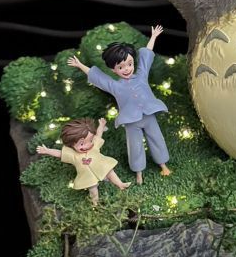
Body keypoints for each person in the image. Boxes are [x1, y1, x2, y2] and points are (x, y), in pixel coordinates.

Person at [67, 25, 171, 185]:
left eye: (129, 64)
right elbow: (98, 77)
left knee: (157, 139)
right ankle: (139, 173)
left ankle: (163, 165)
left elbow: (146, 57)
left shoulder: (141, 75)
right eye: (120, 67)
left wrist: (153, 37)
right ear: (113, 70)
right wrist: (80, 65)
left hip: (149, 116)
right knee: (135, 146)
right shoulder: (114, 86)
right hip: (131, 122)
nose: (126, 69)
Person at [36, 117, 130, 205]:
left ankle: (120, 184)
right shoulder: (73, 155)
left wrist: (101, 126)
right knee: (93, 189)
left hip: (101, 166)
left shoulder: (94, 146)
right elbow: (60, 153)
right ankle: (95, 202)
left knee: (110, 171)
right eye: (82, 144)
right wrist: (47, 151)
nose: (88, 145)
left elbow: (98, 135)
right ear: (71, 145)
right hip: (87, 175)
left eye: (90, 140)